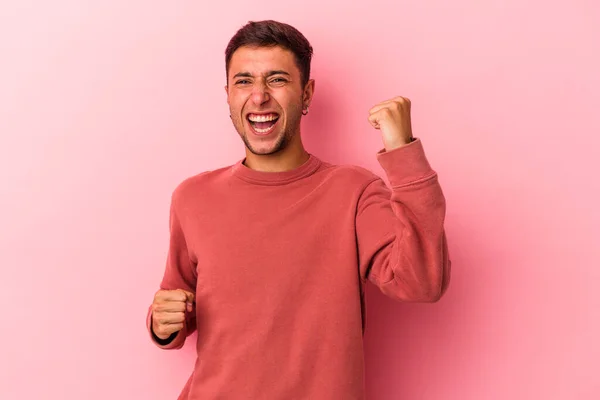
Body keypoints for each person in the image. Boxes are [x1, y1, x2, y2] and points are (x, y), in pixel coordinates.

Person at [146, 19, 451, 400]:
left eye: (276, 80)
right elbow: (176, 305)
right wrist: (163, 323)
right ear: (227, 95)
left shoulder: (353, 191)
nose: (258, 97)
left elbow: (422, 281)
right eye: (243, 81)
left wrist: (403, 151)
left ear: (306, 95)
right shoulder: (192, 196)